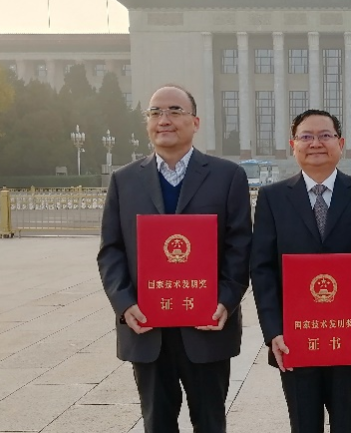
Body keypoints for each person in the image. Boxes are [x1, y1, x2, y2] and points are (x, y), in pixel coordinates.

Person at [97, 84, 252, 433]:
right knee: (157, 423)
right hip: (147, 328)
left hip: (207, 327)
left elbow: (240, 247)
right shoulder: (124, 181)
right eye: (155, 113)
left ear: (195, 122)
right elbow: (111, 250)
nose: (164, 120)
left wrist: (226, 301)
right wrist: (124, 304)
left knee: (210, 422)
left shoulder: (227, 177)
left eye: (174, 111)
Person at [250, 109, 351, 433]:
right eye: (307, 136)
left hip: (350, 337)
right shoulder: (273, 198)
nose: (316, 143)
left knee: (348, 423)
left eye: (325, 136)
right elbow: (262, 269)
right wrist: (274, 332)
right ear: (293, 144)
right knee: (303, 424)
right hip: (295, 339)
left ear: (340, 143)